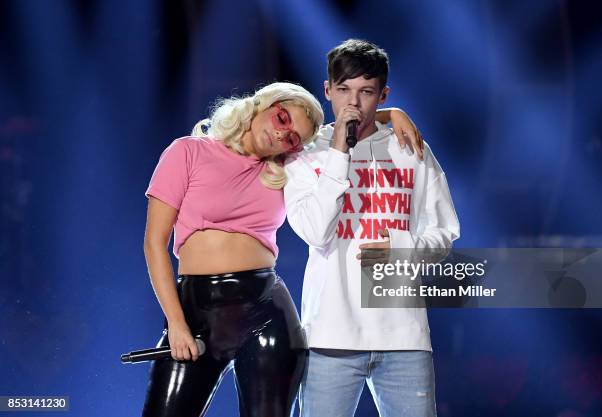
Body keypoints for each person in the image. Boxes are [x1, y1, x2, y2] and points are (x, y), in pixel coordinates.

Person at [284, 39, 460, 417]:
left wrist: (400, 246)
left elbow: (444, 233)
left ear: (383, 95)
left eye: (366, 92)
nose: (353, 103)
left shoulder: (410, 147)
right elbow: (316, 232)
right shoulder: (304, 155)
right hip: (329, 335)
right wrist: (338, 153)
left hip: (403, 336)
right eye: (344, 90)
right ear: (327, 90)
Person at [140, 82, 324, 417]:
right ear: (265, 103)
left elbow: (348, 131)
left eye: (293, 138)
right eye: (282, 118)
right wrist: (176, 324)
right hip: (196, 312)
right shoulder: (188, 151)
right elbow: (154, 243)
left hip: (266, 309)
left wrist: (393, 113)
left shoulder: (287, 170)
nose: (282, 135)